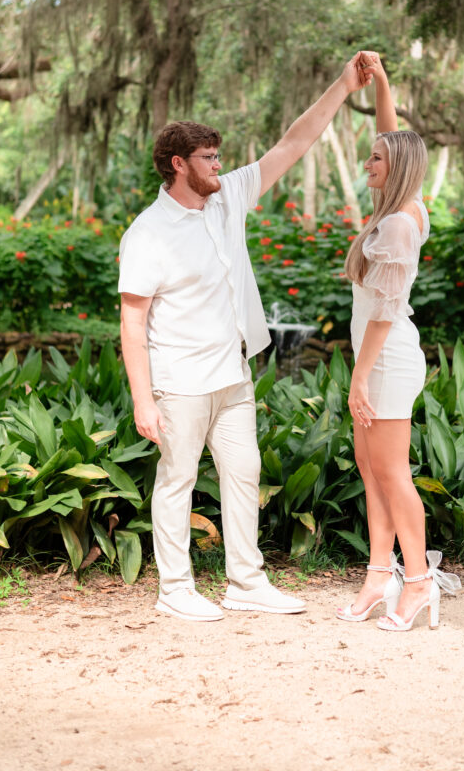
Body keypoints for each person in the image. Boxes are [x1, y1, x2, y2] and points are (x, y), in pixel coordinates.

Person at [119, 54, 372, 623]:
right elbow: (132, 323)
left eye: (219, 156)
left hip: (232, 374)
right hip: (179, 380)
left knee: (244, 472)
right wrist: (142, 399)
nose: (220, 164)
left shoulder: (228, 197)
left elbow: (293, 142)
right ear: (179, 164)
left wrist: (341, 84)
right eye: (210, 158)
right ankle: (175, 589)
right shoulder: (147, 233)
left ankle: (245, 582)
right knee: (177, 481)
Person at [336, 53, 461, 632]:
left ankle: (417, 582)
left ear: (397, 168)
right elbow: (394, 137)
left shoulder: (399, 225)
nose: (369, 159)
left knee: (390, 473)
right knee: (370, 467)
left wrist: (359, 377)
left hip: (385, 360)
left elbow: (385, 312)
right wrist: (382, 83)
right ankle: (378, 574)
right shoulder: (402, 208)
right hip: (376, 358)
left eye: (376, 158)